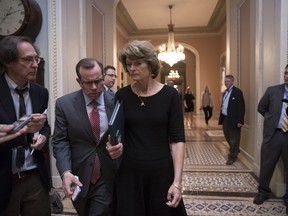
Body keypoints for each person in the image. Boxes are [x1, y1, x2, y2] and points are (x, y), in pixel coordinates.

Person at [107, 40, 187, 216]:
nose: (132, 68)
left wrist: (177, 182)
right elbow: (117, 132)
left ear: (150, 64)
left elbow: (177, 140)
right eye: (128, 64)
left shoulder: (170, 95)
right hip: (129, 174)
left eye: (137, 63)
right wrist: (111, 147)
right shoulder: (122, 95)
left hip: (161, 172)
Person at [52, 58, 122, 216]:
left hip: (108, 173)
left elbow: (125, 135)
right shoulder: (65, 104)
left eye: (98, 81)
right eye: (88, 83)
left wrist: (119, 147)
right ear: (79, 81)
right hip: (79, 176)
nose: (95, 87)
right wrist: (65, 171)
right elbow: (60, 141)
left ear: (103, 77)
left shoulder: (117, 101)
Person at [0, 36, 51, 216]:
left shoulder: (41, 93)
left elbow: (45, 125)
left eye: (36, 59)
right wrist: (21, 133)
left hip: (35, 176)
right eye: (28, 59)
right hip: (4, 177)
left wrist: (43, 136)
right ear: (8, 61)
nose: (35, 64)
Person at [253, 64, 288, 212]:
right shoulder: (272, 91)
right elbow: (261, 107)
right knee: (267, 165)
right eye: (286, 73)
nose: (287, 75)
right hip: (273, 135)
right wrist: (271, 119)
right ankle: (263, 192)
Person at [218, 74, 245, 165]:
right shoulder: (225, 92)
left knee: (234, 138)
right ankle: (235, 149)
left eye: (228, 81)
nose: (226, 83)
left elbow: (241, 107)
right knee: (227, 136)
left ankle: (232, 157)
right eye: (225, 81)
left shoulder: (237, 92)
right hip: (225, 118)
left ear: (232, 82)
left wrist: (240, 121)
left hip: (234, 119)